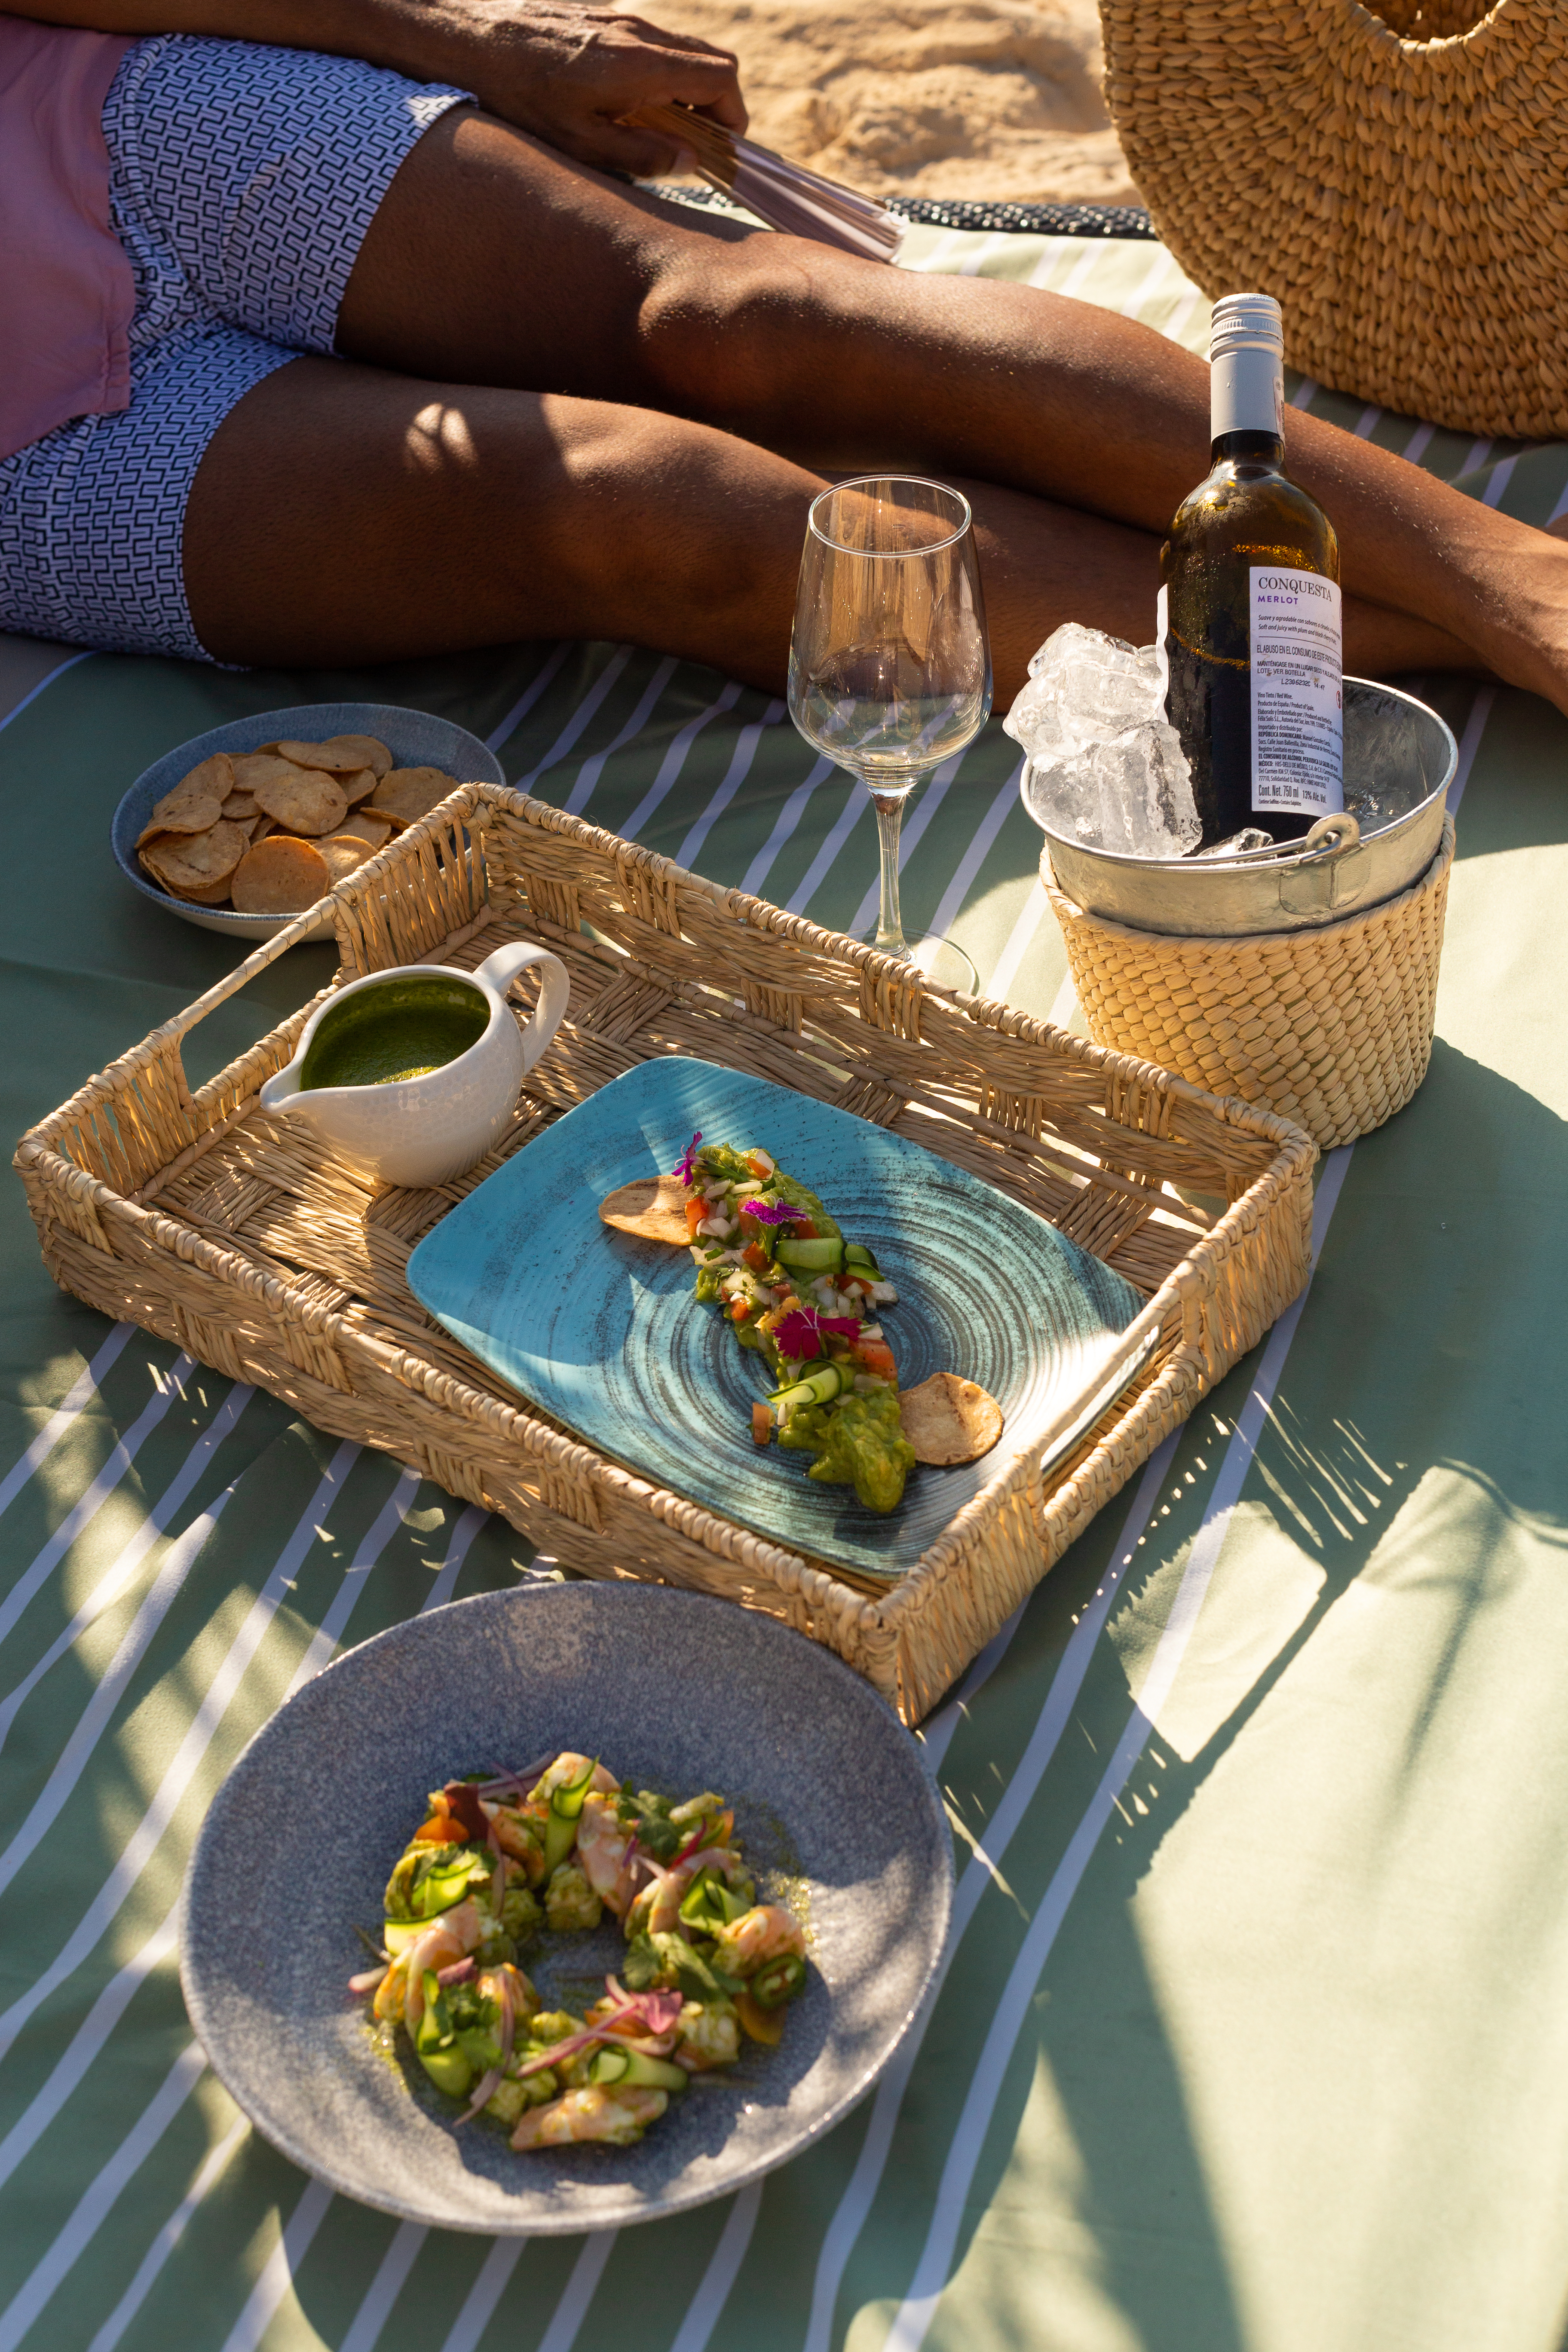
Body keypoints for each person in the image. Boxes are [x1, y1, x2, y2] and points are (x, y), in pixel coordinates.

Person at [4, 0, 1568, 713]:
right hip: (33, 457)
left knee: (741, 315)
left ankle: (1509, 576)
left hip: (88, 109)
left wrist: (461, 37)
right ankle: (1424, 643)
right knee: (655, 518)